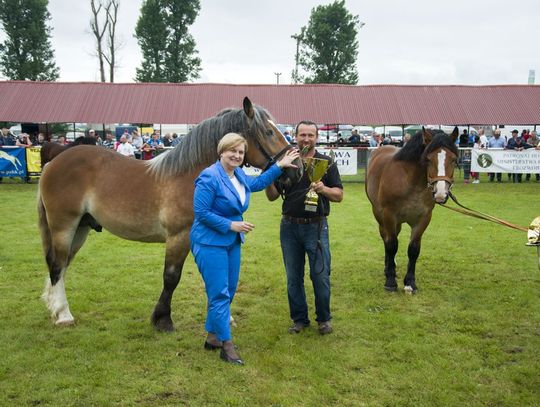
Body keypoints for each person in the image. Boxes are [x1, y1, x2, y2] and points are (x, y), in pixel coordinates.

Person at [191, 132, 299, 365]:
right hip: (209, 242)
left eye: (241, 152)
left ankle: (212, 337)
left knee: (228, 290)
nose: (237, 156)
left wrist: (279, 165)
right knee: (219, 293)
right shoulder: (209, 177)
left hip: (230, 242)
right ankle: (226, 346)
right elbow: (201, 213)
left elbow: (257, 183)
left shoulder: (237, 174)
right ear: (222, 151)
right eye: (232, 151)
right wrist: (232, 224)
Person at [265, 120, 343, 336]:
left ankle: (324, 319)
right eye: (302, 135)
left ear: (316, 137)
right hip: (289, 227)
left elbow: (339, 195)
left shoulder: (326, 162)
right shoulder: (286, 161)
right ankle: (299, 319)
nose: (306, 139)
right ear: (295, 137)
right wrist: (271, 174)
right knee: (293, 277)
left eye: (310, 135)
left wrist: (324, 189)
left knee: (320, 275)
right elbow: (272, 197)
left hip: (316, 227)